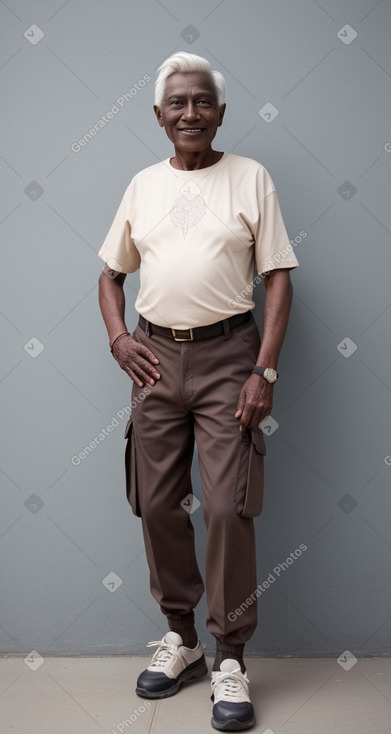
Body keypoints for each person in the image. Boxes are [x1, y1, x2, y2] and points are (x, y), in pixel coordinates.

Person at [98, 51, 299, 732]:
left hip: (228, 359)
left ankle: (229, 657)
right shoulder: (142, 185)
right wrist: (120, 340)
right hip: (155, 359)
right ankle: (180, 637)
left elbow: (276, 277)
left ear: (219, 113)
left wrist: (262, 371)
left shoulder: (251, 179)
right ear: (159, 116)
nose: (190, 113)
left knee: (224, 507)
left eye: (202, 101)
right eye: (177, 104)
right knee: (153, 502)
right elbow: (108, 275)